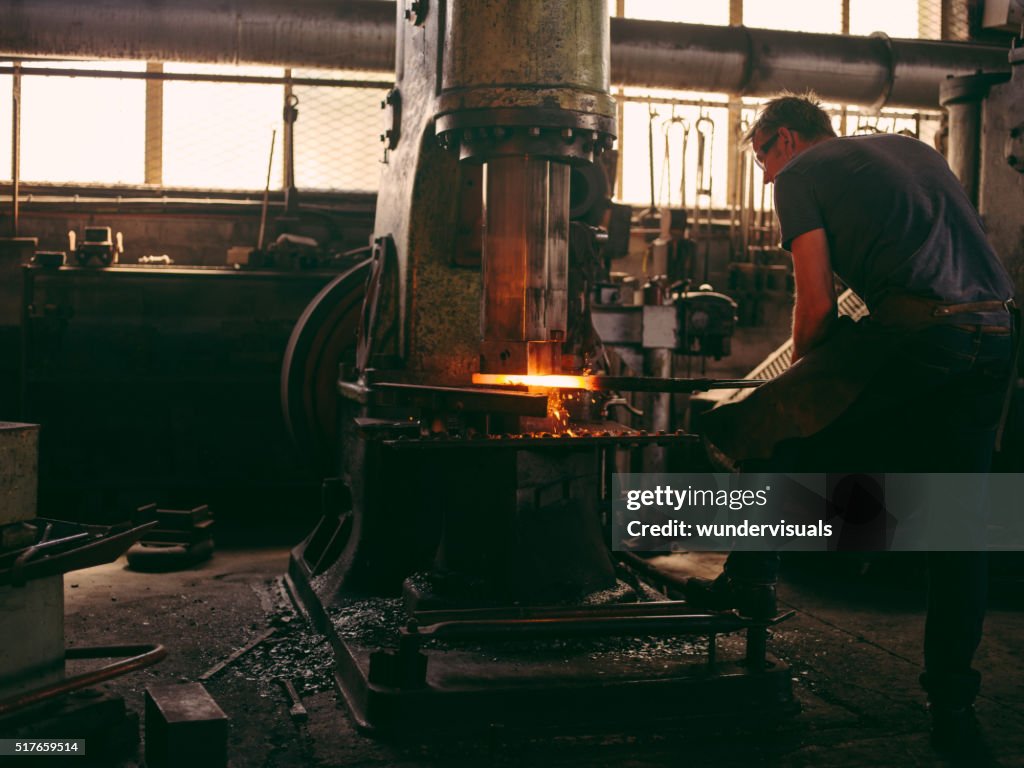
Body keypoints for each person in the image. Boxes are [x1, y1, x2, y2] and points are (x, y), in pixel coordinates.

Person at [687, 94, 1017, 760]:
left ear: (783, 139)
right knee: (959, 525)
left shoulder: (803, 175)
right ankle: (953, 701)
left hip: (923, 334)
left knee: (770, 424)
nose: (770, 182)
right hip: (999, 333)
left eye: (763, 163)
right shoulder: (911, 149)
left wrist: (797, 384)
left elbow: (812, 308)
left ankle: (750, 579)